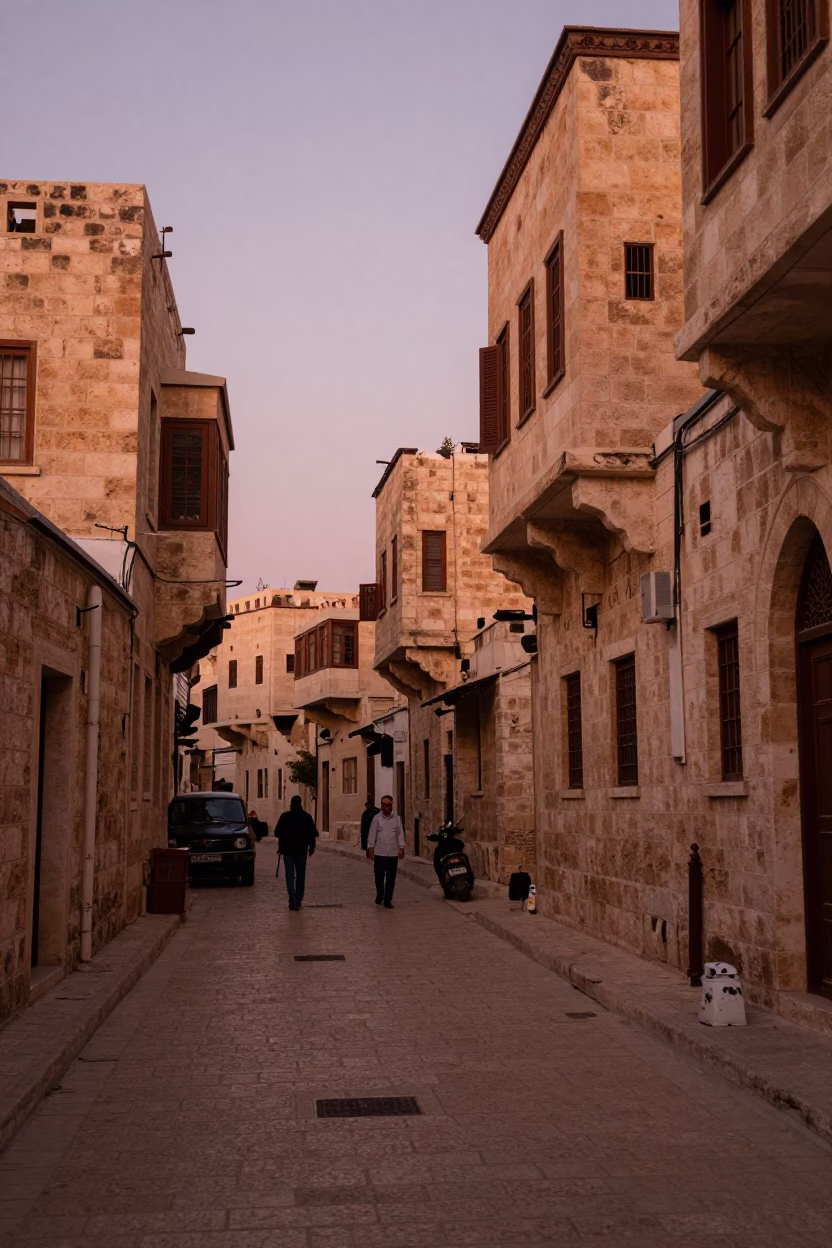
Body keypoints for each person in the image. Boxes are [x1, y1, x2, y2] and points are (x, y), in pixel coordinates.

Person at [275, 795, 318, 911]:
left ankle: (292, 897)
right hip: (301, 851)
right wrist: (312, 847)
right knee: (300, 876)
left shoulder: (284, 817)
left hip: (288, 851)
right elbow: (312, 834)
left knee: (289, 875)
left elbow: (277, 832)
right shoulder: (306, 817)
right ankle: (298, 899)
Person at [367, 794, 405, 909]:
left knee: (391, 877)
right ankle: (380, 894)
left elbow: (400, 834)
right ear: (381, 805)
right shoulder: (376, 819)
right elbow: (372, 835)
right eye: (384, 805)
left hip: (392, 853)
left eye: (388, 805)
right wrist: (371, 850)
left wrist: (401, 848)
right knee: (379, 876)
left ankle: (387, 899)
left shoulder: (397, 819)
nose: (386, 807)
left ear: (391, 805)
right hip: (380, 852)